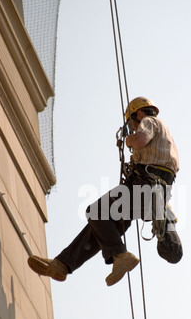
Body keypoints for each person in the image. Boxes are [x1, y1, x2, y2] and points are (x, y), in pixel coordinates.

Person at [28, 97, 180, 286]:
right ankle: (63, 264)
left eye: (132, 123)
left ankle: (120, 255)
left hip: (144, 186)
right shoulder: (167, 139)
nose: (133, 128)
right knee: (103, 227)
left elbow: (140, 139)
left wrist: (130, 140)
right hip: (153, 192)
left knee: (96, 212)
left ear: (139, 114)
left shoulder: (149, 122)